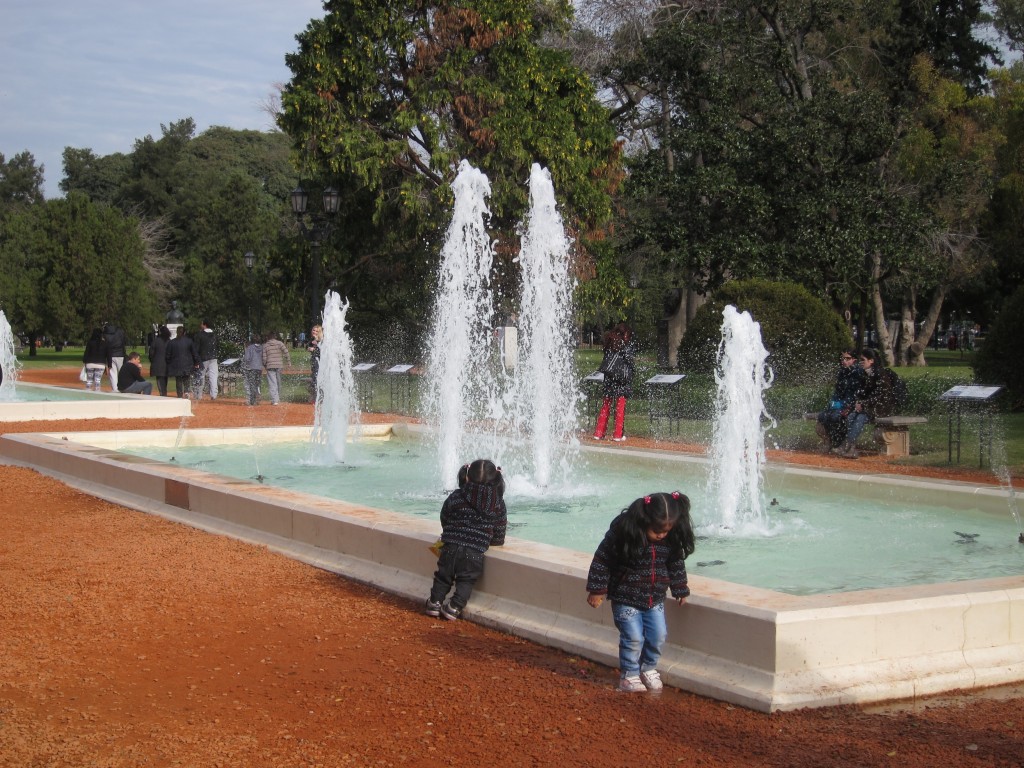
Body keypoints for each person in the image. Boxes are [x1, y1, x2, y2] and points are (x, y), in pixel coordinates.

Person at [586, 491, 695, 693]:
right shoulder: (625, 535)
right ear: (644, 520)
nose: (661, 535)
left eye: (667, 531)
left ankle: (648, 668)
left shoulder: (669, 541)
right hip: (625, 597)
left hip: (654, 599)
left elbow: (675, 564)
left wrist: (680, 588)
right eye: (656, 531)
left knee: (658, 635)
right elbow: (602, 560)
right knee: (633, 637)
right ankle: (629, 675)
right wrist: (597, 590)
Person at [425, 459, 507, 621]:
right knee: (466, 580)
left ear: (467, 477)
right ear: (495, 479)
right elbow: (500, 528)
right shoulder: (497, 502)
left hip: (449, 546)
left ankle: (434, 603)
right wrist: (493, 540)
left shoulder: (457, 495)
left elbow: (445, 516)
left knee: (443, 576)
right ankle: (454, 607)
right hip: (474, 551)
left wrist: (450, 532)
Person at [839, 348, 886, 459]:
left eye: (863, 360)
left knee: (860, 418)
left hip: (880, 408)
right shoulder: (865, 374)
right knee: (849, 417)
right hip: (867, 407)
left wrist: (863, 404)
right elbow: (861, 393)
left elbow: (881, 396)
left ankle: (852, 447)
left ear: (871, 361)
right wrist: (858, 403)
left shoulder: (880, 374)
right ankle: (846, 444)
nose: (860, 362)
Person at [593, 323, 637, 442]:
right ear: (625, 333)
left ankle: (598, 433)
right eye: (628, 334)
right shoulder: (624, 344)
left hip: (608, 377)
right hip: (621, 379)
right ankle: (617, 435)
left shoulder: (609, 342)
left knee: (605, 405)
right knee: (620, 406)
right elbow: (629, 360)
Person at [814, 348, 863, 452]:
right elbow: (838, 391)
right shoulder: (842, 373)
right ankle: (830, 441)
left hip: (852, 405)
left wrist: (846, 404)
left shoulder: (858, 373)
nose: (844, 361)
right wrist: (833, 403)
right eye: (842, 358)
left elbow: (857, 394)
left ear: (854, 360)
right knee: (823, 416)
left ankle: (839, 442)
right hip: (841, 404)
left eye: (847, 358)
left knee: (837, 416)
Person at [166, 326, 198, 399]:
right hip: (187, 364)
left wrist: (169, 363)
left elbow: (168, 355)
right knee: (186, 379)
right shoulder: (189, 341)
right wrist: (196, 362)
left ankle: (180, 395)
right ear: (185, 332)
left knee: (179, 381)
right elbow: (194, 353)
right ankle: (186, 392)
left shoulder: (172, 342)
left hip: (176, 365)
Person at [261, 331, 291, 406]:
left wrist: (265, 365)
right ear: (275, 337)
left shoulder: (265, 345)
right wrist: (288, 362)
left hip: (270, 366)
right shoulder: (280, 343)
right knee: (278, 382)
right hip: (279, 365)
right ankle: (277, 398)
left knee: (272, 383)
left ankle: (275, 400)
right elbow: (286, 352)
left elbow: (264, 358)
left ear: (268, 337)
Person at [193, 319, 219, 400]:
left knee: (201, 376)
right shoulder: (215, 335)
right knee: (213, 377)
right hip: (214, 358)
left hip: (203, 359)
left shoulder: (199, 335)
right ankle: (214, 395)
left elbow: (196, 348)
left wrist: (196, 360)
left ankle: (199, 395)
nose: (200, 325)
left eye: (201, 324)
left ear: (205, 325)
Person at [102, 322, 126, 392]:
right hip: (120, 354)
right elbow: (123, 342)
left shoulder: (105, 333)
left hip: (110, 355)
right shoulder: (120, 332)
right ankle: (123, 387)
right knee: (122, 372)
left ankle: (115, 389)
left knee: (112, 373)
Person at [148, 325, 171, 396]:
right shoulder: (169, 341)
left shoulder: (156, 341)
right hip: (167, 365)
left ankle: (163, 395)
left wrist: (153, 361)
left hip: (157, 364)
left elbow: (151, 353)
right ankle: (164, 393)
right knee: (165, 381)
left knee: (160, 382)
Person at [242, 335, 264, 406]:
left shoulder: (250, 348)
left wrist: (246, 364)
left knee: (252, 384)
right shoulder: (262, 347)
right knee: (257, 383)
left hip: (252, 368)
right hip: (260, 368)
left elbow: (247, 358)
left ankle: (252, 401)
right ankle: (258, 396)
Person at [307, 325, 323, 402]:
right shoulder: (312, 339)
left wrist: (314, 349)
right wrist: (309, 348)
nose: (314, 332)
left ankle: (320, 397)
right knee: (314, 378)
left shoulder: (321, 340)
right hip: (314, 362)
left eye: (316, 331)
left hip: (321, 363)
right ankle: (316, 397)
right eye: (313, 330)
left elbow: (322, 352)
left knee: (317, 379)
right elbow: (307, 346)